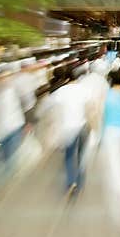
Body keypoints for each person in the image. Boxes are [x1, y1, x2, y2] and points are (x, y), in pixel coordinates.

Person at [41, 67, 94, 197]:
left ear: (66, 79)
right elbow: (91, 106)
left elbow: (47, 104)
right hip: (82, 127)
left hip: (68, 129)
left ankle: (71, 183)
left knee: (69, 157)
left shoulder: (61, 91)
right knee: (82, 156)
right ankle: (80, 182)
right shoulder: (83, 89)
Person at [99, 68, 120, 226]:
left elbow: (102, 116)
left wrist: (100, 136)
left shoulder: (106, 95)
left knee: (113, 160)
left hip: (110, 131)